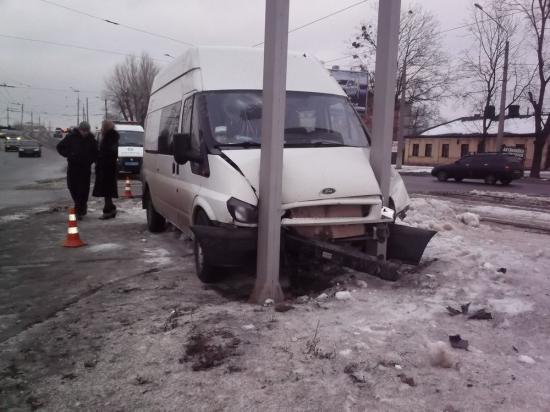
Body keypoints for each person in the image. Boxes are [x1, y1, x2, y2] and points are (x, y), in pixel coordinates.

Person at [57, 121, 98, 219]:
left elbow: (96, 152)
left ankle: (79, 210)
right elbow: (60, 147)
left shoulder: (91, 139)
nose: (85, 133)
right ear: (79, 129)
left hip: (85, 168)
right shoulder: (71, 137)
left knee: (83, 190)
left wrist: (91, 160)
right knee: (72, 187)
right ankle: (80, 206)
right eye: (83, 131)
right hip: (73, 167)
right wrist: (69, 154)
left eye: (86, 131)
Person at [93, 120, 119, 219]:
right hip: (108, 167)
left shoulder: (109, 137)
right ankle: (111, 209)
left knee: (106, 190)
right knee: (107, 190)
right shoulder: (111, 136)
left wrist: (100, 156)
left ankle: (108, 211)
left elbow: (109, 152)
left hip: (107, 168)